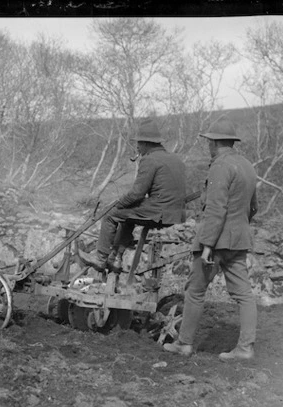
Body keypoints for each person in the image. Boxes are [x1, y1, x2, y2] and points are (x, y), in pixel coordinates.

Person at [163, 117, 258, 360]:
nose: (208, 146)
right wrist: (239, 227)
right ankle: (245, 348)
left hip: (215, 243)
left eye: (209, 142)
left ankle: (184, 344)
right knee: (244, 294)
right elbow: (254, 207)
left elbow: (216, 209)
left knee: (195, 292)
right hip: (239, 240)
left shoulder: (219, 166)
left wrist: (207, 245)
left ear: (214, 143)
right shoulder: (247, 165)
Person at [80, 118, 187, 272]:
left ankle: (100, 258)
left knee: (111, 214)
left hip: (159, 212)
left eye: (139, 143)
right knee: (127, 216)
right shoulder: (175, 159)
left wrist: (117, 204)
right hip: (176, 213)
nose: (137, 147)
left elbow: (137, 194)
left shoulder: (149, 160)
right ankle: (115, 258)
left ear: (146, 143)